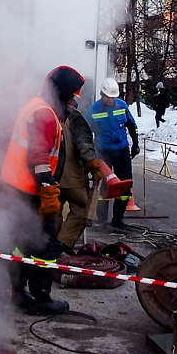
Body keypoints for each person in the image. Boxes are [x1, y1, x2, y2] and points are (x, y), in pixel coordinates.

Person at [0, 65, 85, 315]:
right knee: (46, 246)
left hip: (17, 188)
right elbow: (37, 156)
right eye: (70, 96)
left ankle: (16, 292)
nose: (71, 102)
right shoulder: (45, 114)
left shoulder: (34, 105)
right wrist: (47, 187)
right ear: (61, 93)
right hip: (30, 191)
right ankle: (40, 297)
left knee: (22, 242)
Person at [85, 78, 139, 230]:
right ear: (102, 94)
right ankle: (101, 219)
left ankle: (118, 218)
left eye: (113, 97)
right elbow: (86, 132)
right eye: (108, 97)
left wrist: (135, 143)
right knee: (103, 187)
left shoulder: (121, 106)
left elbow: (132, 125)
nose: (110, 100)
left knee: (126, 184)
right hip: (103, 152)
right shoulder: (94, 110)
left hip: (121, 150)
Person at [56, 98, 103, 255]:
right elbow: (84, 146)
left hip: (51, 174)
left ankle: (50, 242)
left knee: (53, 209)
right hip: (71, 176)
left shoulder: (49, 113)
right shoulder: (75, 118)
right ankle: (63, 243)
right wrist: (93, 165)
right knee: (82, 208)